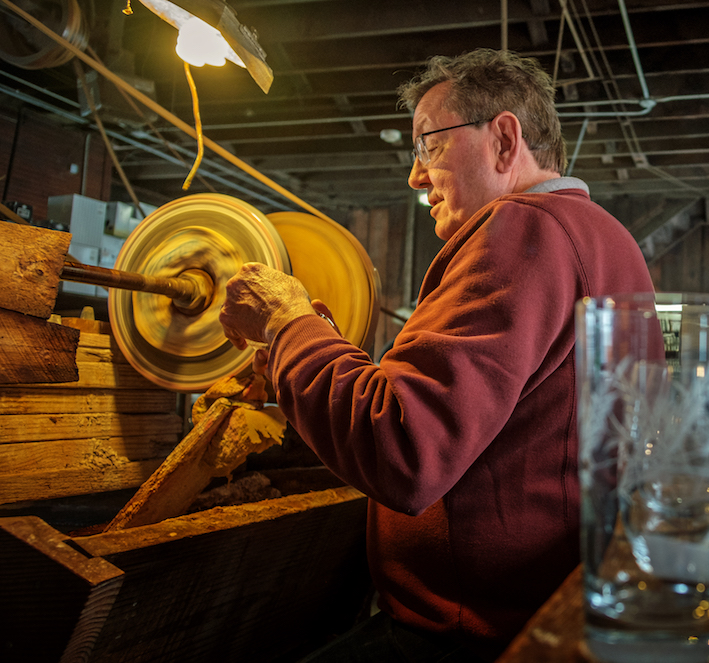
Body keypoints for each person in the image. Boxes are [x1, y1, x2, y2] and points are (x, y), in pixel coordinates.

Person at [219, 48, 656, 662]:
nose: (415, 176)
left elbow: (404, 446)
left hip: (470, 634)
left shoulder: (521, 230)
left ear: (504, 139)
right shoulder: (603, 237)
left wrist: (286, 323)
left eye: (428, 145)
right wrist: (294, 363)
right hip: (547, 603)